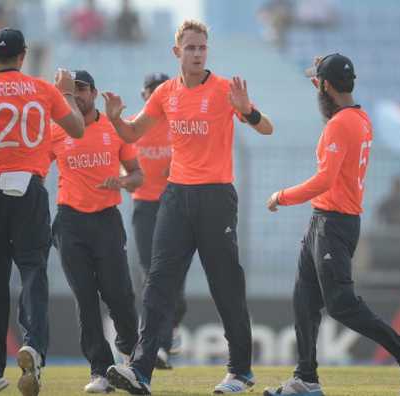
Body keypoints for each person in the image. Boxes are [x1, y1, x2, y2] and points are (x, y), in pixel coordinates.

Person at [102, 19, 274, 395]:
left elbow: (267, 129)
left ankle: (240, 372)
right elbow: (132, 133)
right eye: (191, 48)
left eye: (202, 48)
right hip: (176, 197)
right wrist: (115, 118)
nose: (197, 54)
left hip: (215, 198)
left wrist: (249, 111)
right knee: (158, 282)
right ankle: (141, 370)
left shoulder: (226, 89)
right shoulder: (165, 92)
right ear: (176, 51)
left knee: (226, 286)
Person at [264, 53, 400, 396]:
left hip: (334, 223)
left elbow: (324, 179)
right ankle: (306, 379)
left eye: (318, 84)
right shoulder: (360, 117)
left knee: (340, 303)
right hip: (325, 220)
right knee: (304, 300)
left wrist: (282, 196)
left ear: (325, 86)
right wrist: (322, 78)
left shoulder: (341, 124)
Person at [0, 28, 84, 396]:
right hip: (31, 189)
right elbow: (77, 127)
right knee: (33, 272)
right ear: (23, 55)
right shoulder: (43, 90)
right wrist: (67, 92)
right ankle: (34, 346)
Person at [49, 70, 142, 393]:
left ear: (94, 92)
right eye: (71, 91)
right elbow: (34, 164)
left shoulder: (112, 129)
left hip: (106, 220)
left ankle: (129, 355)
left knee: (119, 295)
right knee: (85, 300)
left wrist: (122, 182)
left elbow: (137, 175)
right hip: (70, 222)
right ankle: (99, 371)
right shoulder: (57, 130)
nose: (77, 95)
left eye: (82, 89)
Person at [131, 72, 189, 370]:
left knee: (174, 285)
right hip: (144, 207)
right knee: (151, 275)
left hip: (175, 207)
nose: (155, 97)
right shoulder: (133, 127)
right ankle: (159, 346)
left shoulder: (180, 125)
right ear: (144, 96)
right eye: (150, 91)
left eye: (160, 91)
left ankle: (165, 333)